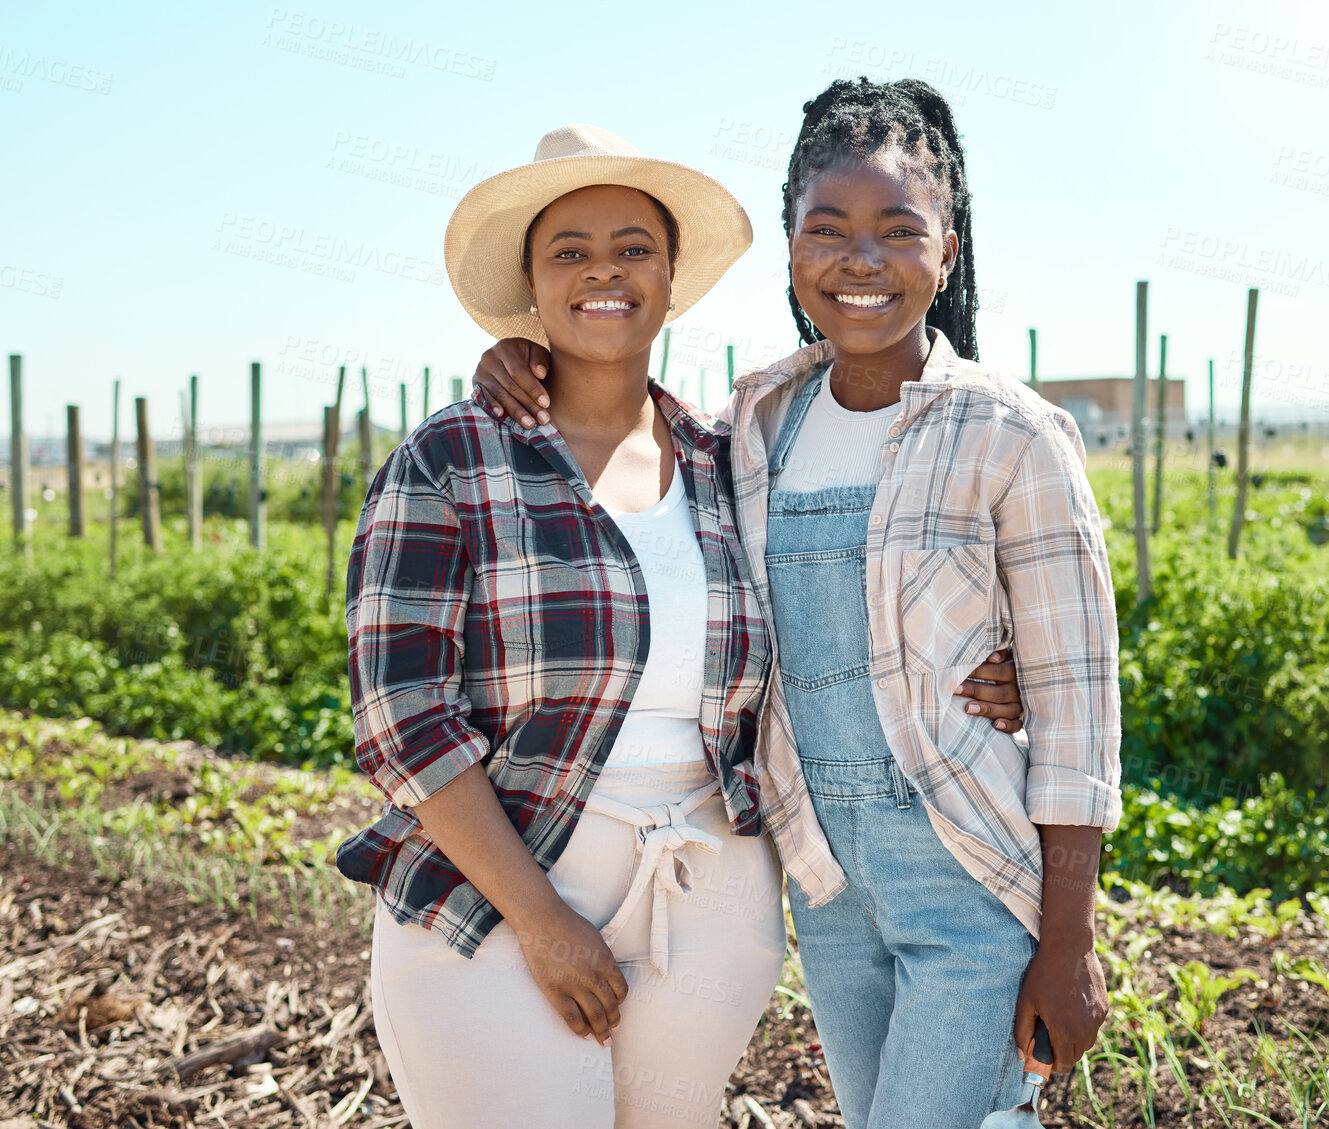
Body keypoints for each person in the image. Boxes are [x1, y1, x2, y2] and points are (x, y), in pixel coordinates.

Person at [338, 122, 1025, 1129]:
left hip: (707, 898)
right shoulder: (454, 458)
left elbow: (849, 596)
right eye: (567, 251)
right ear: (531, 283)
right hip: (498, 892)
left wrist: (991, 671)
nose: (602, 272)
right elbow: (403, 716)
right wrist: (540, 920)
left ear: (668, 278)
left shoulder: (727, 457)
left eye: (632, 248)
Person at [474, 78, 1122, 1129]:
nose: (860, 260)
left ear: (946, 251)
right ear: (790, 252)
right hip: (823, 888)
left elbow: (1081, 705)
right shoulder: (753, 422)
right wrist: (521, 359)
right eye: (827, 230)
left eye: (898, 230)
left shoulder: (1014, 436)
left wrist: (1069, 939)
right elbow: (625, 435)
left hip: (968, 884)